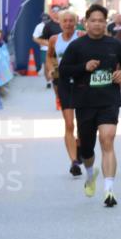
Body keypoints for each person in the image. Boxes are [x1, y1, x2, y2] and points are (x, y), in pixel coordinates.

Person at [58, 4, 121, 207]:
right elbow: (63, 70)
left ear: (105, 23)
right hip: (85, 102)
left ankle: (109, 190)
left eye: (101, 20)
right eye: (93, 20)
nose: (97, 24)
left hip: (109, 100)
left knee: (107, 140)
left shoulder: (114, 45)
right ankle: (90, 174)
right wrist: (84, 67)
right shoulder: (77, 46)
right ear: (86, 22)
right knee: (87, 150)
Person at [46, 10, 83, 176]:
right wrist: (51, 68)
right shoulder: (54, 39)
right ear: (60, 23)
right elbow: (49, 56)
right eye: (65, 21)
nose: (68, 24)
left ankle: (80, 146)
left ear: (75, 23)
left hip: (82, 83)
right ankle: (74, 161)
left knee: (83, 125)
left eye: (71, 21)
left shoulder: (81, 36)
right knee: (69, 124)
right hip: (64, 83)